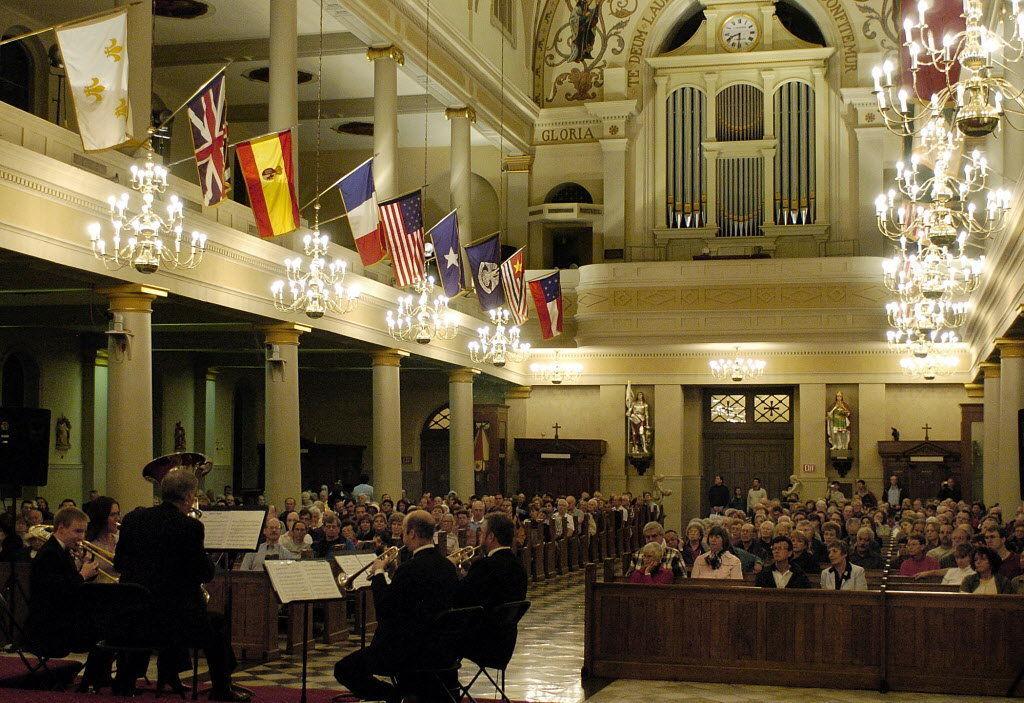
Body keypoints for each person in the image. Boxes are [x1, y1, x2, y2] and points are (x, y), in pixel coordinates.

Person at [115, 469, 248, 701]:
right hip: (173, 621)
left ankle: (128, 681)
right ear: (188, 497)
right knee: (216, 623)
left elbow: (119, 563)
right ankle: (221, 689)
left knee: (185, 612)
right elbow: (204, 573)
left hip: (133, 617)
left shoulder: (132, 519)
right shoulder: (190, 527)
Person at [334, 510, 458, 703]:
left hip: (407, 650)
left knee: (344, 668)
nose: (402, 536)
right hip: (441, 649)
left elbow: (385, 609)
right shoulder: (448, 567)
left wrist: (379, 573)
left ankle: (393, 696)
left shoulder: (409, 568)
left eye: (404, 531)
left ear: (413, 533)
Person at [26, 506, 114, 690]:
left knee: (108, 624)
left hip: (60, 619)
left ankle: (96, 678)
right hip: (49, 626)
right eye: (77, 531)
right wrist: (82, 575)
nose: (82, 537)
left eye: (83, 531)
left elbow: (69, 587)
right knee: (107, 630)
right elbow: (58, 593)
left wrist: (85, 571)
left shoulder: (60, 551)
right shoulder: (50, 554)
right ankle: (92, 681)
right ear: (60, 528)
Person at [453, 512, 528, 664]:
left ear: (491, 537)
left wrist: (453, 571)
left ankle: (444, 678)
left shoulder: (485, 565)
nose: (480, 536)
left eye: (482, 532)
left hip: (482, 640)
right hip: (505, 641)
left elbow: (459, 597)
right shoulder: (518, 565)